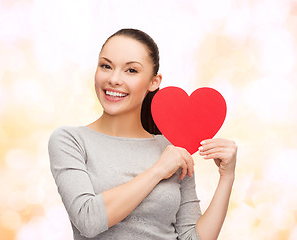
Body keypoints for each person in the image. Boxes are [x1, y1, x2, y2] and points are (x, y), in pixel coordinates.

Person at [48, 28, 237, 240]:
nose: (114, 79)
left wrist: (227, 176)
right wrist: (158, 170)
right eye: (106, 66)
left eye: (131, 70)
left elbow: (192, 237)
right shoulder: (70, 141)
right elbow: (88, 220)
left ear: (154, 82)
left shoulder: (173, 148)